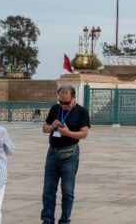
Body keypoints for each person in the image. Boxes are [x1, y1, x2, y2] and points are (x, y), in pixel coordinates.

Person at [41, 86, 91, 224]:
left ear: (73, 98)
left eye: (66, 102)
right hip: (53, 153)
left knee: (67, 191)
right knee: (48, 189)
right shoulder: (55, 109)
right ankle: (47, 220)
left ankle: (64, 220)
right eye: (60, 102)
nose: (63, 105)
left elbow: (84, 133)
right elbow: (44, 128)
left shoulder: (82, 112)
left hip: (70, 154)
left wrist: (67, 133)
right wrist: (51, 127)